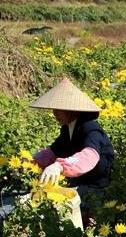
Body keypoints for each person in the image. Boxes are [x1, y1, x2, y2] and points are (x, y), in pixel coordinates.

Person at [31, 77, 115, 222]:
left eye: (58, 109)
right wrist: (30, 162)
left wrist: (59, 166)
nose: (54, 113)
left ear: (71, 110)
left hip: (95, 188)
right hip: (78, 183)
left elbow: (89, 156)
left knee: (55, 205)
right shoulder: (67, 129)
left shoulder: (91, 129)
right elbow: (54, 151)